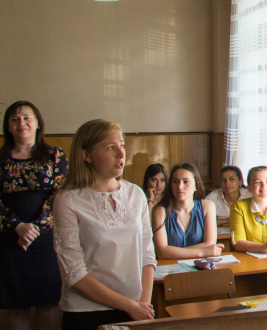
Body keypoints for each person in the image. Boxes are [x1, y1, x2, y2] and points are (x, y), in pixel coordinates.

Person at [53, 119, 156, 330]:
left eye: (122, 145)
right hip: (87, 312)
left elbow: (147, 254)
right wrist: (129, 306)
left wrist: (142, 304)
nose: (121, 153)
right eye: (110, 147)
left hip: (136, 308)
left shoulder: (135, 194)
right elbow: (74, 272)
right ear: (86, 155)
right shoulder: (67, 200)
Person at [0, 101, 67, 330]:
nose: (21, 123)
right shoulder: (0, 159)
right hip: (10, 240)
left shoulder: (55, 156)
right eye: (15, 119)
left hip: (46, 240)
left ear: (38, 123)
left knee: (48, 302)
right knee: (15, 304)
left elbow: (60, 195)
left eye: (27, 117)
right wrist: (17, 226)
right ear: (7, 126)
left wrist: (35, 227)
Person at [151, 163, 223, 259]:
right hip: (169, 269)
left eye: (186, 182)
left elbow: (210, 244)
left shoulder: (207, 206)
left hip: (200, 267)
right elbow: (161, 252)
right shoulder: (160, 211)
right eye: (175, 182)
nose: (180, 187)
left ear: (196, 185)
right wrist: (201, 252)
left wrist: (173, 251)